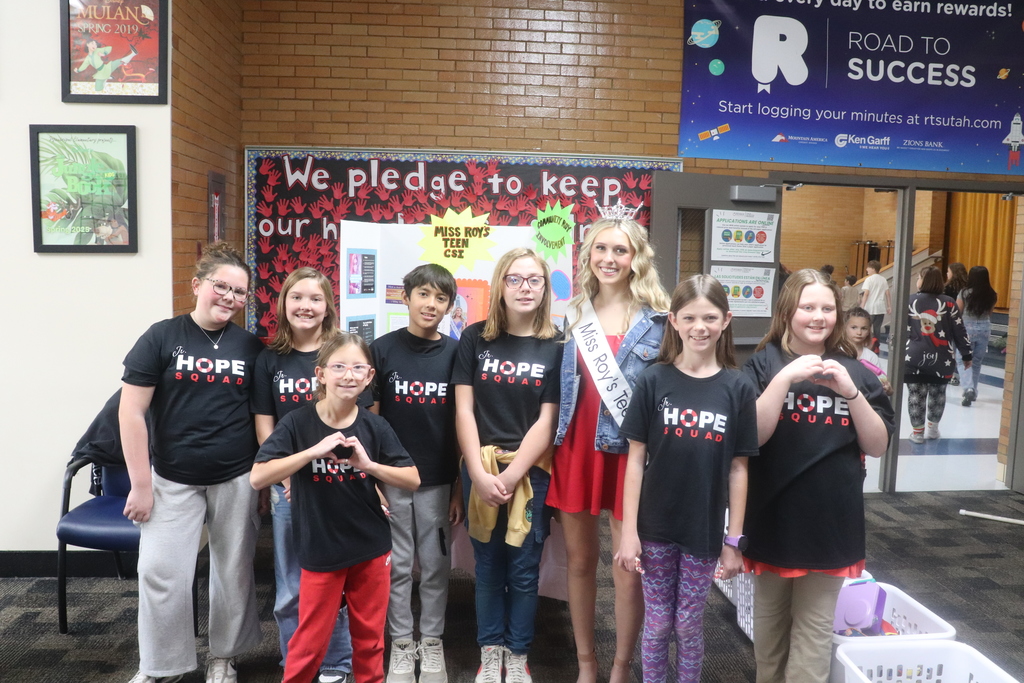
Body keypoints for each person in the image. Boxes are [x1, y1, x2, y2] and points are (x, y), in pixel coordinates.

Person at [120, 242, 265, 683]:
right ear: (197, 284)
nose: (229, 298)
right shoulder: (161, 337)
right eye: (222, 287)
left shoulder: (251, 347)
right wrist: (141, 485)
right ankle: (161, 666)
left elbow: (262, 418)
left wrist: (263, 479)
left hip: (236, 475)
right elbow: (131, 413)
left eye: (239, 293)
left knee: (233, 570)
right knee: (159, 571)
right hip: (171, 477)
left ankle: (225, 656)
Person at [743, 268, 894, 683]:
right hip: (771, 519)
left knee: (812, 635)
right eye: (807, 307)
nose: (818, 316)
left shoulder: (858, 372)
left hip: (831, 524)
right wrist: (785, 379)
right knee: (769, 632)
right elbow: (750, 436)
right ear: (788, 310)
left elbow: (878, 445)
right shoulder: (762, 365)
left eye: (827, 308)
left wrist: (850, 391)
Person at [251, 333, 421, 683]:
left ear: (369, 377)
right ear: (321, 373)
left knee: (370, 642)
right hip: (321, 547)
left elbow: (412, 479)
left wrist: (369, 466)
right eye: (339, 366)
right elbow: (258, 477)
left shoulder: (375, 425)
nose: (348, 375)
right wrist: (313, 452)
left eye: (358, 368)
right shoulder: (298, 423)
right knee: (310, 641)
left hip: (371, 547)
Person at [615, 274, 758, 683]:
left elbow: (738, 469)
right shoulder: (654, 380)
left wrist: (734, 542)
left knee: (688, 626)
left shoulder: (738, 387)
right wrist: (628, 532)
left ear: (726, 320)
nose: (700, 327)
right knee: (658, 625)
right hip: (655, 528)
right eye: (690, 317)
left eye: (710, 317)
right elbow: (635, 460)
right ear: (673, 321)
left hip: (704, 532)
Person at [547, 217, 670, 683]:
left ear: (636, 257)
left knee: (626, 567)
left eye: (620, 250)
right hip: (577, 448)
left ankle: (620, 666)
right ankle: (586, 663)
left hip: (632, 457)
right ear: (588, 256)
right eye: (601, 250)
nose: (610, 259)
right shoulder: (573, 314)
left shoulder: (660, 320)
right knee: (578, 561)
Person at [453, 247, 562, 683]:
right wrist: (480, 475)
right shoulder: (475, 337)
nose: (524, 288)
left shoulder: (557, 345)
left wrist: (514, 474)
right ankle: (490, 651)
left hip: (530, 472)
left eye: (533, 279)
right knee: (488, 567)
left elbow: (549, 418)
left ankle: (517, 655)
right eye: (514, 279)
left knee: (522, 568)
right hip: (479, 467)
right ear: (500, 285)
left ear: (544, 288)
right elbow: (463, 411)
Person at [251, 267, 354, 683]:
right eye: (297, 298)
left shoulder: (343, 352)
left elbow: (361, 419)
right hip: (289, 487)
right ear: (284, 304)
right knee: (291, 583)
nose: (305, 306)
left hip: (338, 484)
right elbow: (264, 423)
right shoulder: (269, 359)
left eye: (314, 299)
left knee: (336, 580)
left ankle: (335, 663)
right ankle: (296, 661)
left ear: (328, 305)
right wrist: (284, 477)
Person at [369, 264, 462, 683]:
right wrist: (372, 478)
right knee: (399, 565)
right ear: (405, 297)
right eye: (423, 294)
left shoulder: (457, 354)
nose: (431, 304)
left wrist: (460, 485)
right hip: (391, 477)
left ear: (449, 306)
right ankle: (402, 645)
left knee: (436, 564)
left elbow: (463, 424)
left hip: (438, 480)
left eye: (440, 298)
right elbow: (369, 420)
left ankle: (432, 641)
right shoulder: (382, 349)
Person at [905, 266, 972, 441]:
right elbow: (960, 330)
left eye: (919, 277)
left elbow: (901, 330)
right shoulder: (949, 302)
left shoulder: (909, 300)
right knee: (938, 394)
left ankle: (917, 434)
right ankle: (933, 430)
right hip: (942, 359)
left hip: (913, 357)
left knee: (915, 396)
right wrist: (966, 355)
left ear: (923, 280)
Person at [956, 265, 997, 407]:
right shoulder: (992, 293)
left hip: (967, 328)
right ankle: (973, 390)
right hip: (984, 328)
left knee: (963, 360)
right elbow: (990, 313)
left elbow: (958, 312)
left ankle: (968, 388)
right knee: (977, 361)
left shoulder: (964, 293)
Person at [845, 307, 892, 396]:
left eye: (864, 328)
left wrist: (887, 388)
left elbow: (881, 381)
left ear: (868, 331)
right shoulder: (836, 352)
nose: (859, 332)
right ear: (844, 328)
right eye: (854, 327)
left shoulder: (871, 357)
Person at [943, 263, 969, 386]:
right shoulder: (968, 288)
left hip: (950, 320)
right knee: (960, 348)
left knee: (950, 349)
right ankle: (962, 376)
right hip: (964, 321)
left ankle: (951, 375)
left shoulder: (947, 288)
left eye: (948, 271)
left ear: (953, 273)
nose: (947, 274)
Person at [858, 260, 891, 343]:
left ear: (873, 268)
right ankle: (877, 346)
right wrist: (889, 306)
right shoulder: (883, 279)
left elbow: (866, 294)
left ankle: (866, 344)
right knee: (877, 328)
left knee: (866, 327)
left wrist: (862, 306)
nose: (866, 269)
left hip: (870, 307)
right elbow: (887, 294)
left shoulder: (869, 279)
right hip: (880, 307)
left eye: (868, 268)